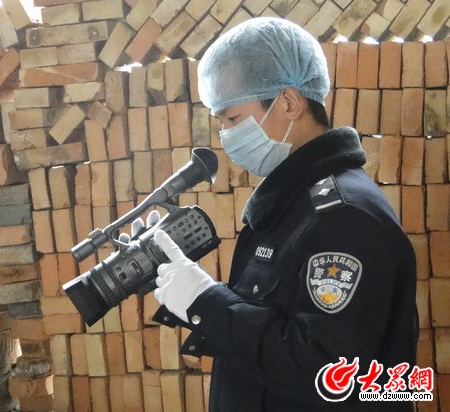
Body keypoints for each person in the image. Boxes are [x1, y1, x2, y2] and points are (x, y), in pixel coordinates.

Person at [134, 17, 418, 411]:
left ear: (289, 102)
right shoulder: (291, 204)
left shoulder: (345, 218)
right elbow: (272, 323)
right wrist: (181, 287)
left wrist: (208, 303)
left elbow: (325, 369)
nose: (225, 135)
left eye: (233, 119)